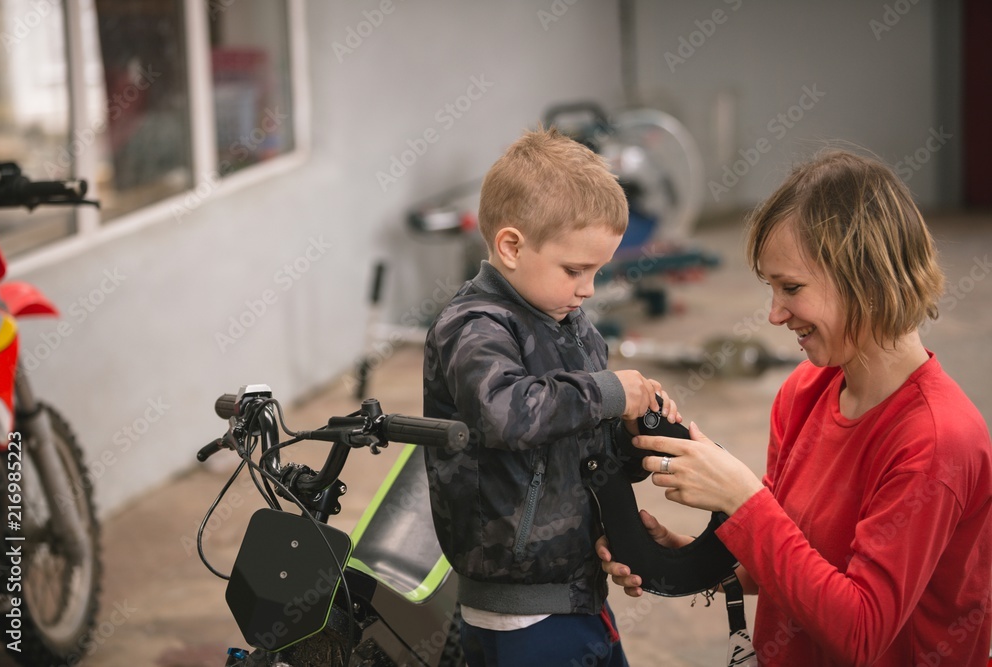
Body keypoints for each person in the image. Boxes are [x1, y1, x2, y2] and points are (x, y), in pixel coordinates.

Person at [598, 148, 992, 665]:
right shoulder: (804, 391)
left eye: (792, 288)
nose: (776, 314)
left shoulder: (937, 442)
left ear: (866, 278)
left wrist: (744, 502)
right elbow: (793, 560)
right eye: (771, 288)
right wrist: (686, 559)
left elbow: (861, 633)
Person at [423, 126, 680, 667]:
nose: (588, 288)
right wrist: (610, 391)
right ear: (511, 246)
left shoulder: (576, 327)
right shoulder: (474, 326)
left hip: (580, 592)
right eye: (574, 270)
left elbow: (586, 447)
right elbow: (506, 414)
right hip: (520, 615)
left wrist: (636, 439)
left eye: (597, 271)